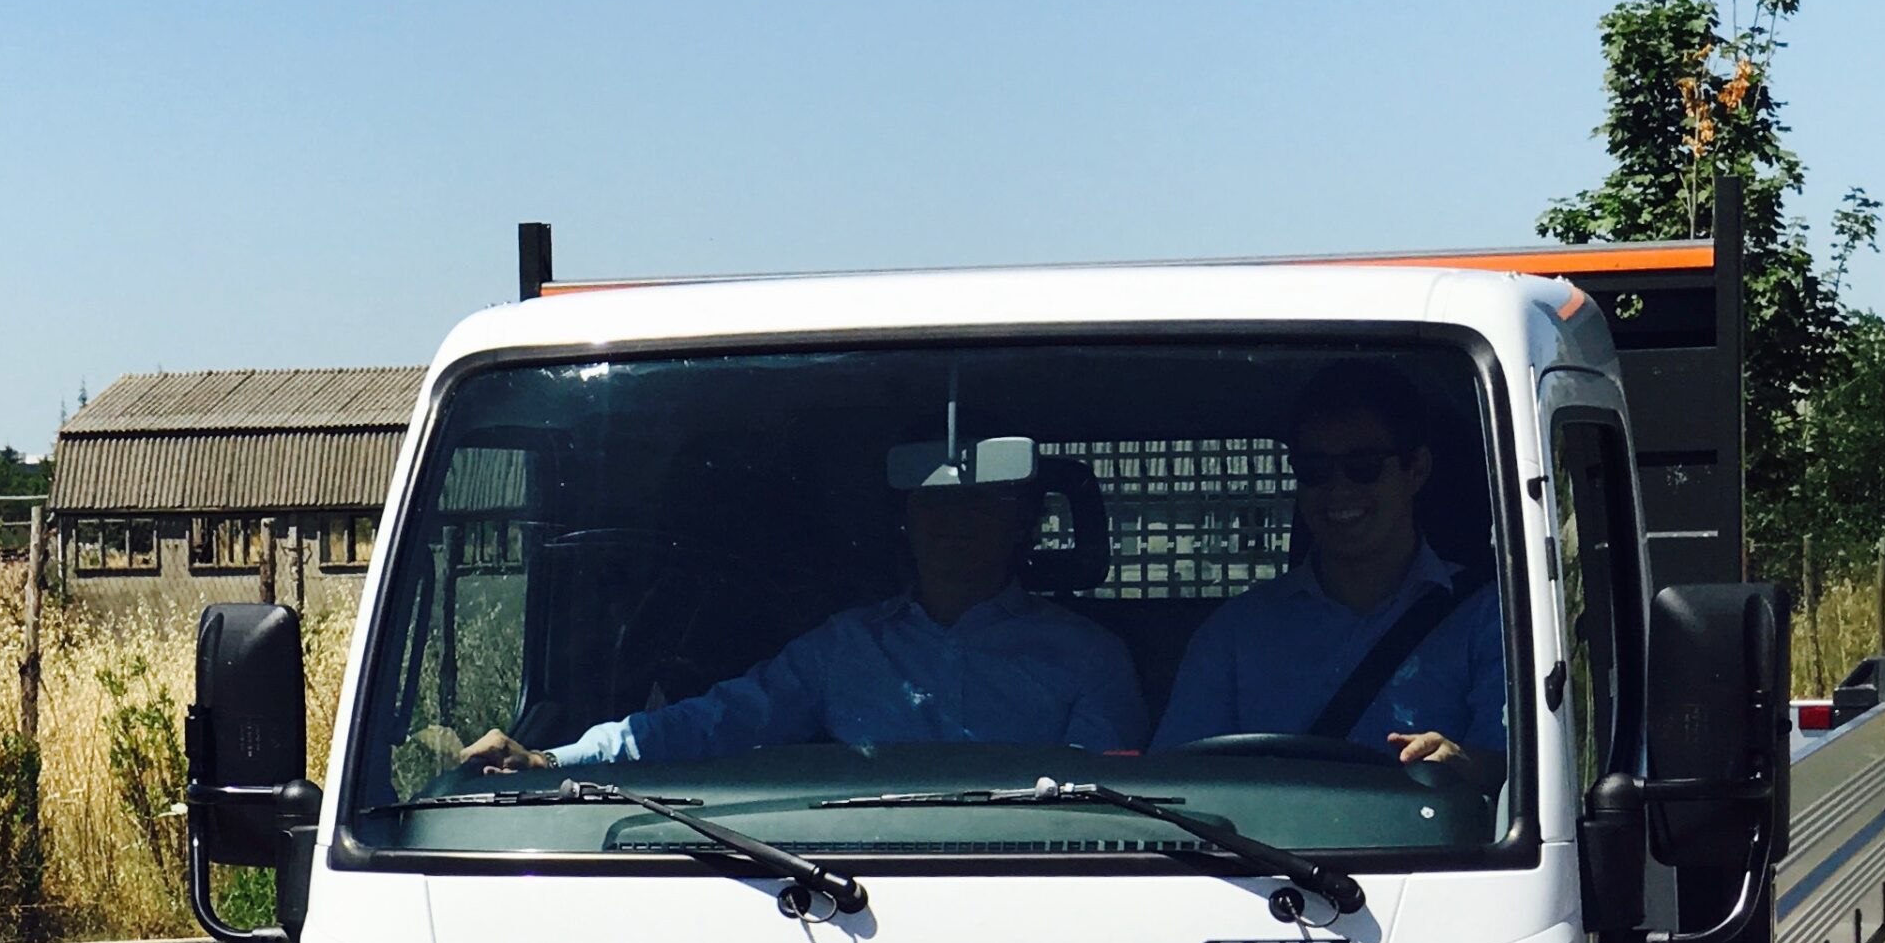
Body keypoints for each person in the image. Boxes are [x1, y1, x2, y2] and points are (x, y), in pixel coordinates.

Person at [462, 468, 1147, 769]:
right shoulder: (844, 649)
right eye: (934, 500)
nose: (953, 520)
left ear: (1024, 524)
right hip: (849, 889)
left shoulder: (1088, 658)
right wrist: (553, 756)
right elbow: (713, 723)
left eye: (982, 501)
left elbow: (1110, 814)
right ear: (906, 520)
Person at [1150, 362, 1505, 772]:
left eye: (1363, 466)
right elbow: (1176, 782)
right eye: (1315, 471)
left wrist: (1462, 765)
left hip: (1438, 837)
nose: (1338, 489)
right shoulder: (1233, 635)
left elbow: (1523, 775)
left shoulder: (1490, 619)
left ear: (1416, 470)